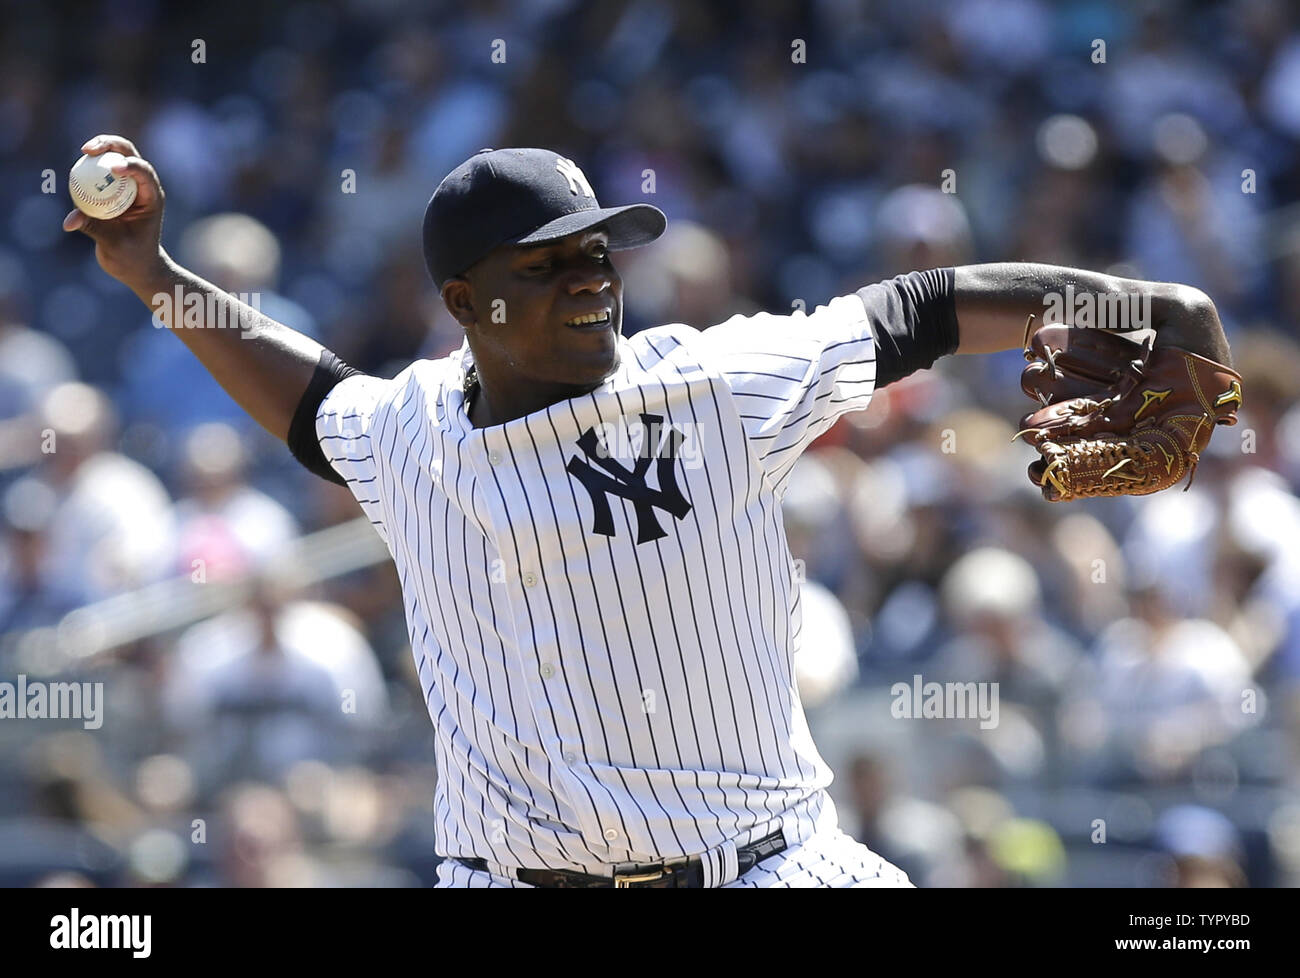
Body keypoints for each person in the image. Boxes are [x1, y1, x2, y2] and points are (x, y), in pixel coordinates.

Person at [64, 135, 1234, 888]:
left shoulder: (716, 383)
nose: (590, 279)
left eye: (597, 253)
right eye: (548, 265)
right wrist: (152, 274)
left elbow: (918, 308)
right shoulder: (407, 429)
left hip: (764, 868)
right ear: (467, 303)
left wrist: (1126, 302)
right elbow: (306, 395)